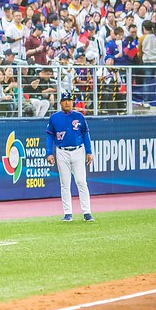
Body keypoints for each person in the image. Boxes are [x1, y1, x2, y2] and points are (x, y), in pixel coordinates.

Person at [45, 92, 94, 222]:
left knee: (81, 181)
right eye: (65, 100)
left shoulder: (79, 116)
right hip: (62, 151)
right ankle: (68, 213)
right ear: (60, 103)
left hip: (78, 150)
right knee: (65, 183)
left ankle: (87, 212)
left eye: (69, 100)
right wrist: (49, 153)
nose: (67, 102)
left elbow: (85, 134)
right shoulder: (54, 118)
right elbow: (49, 136)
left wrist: (89, 151)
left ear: (72, 102)